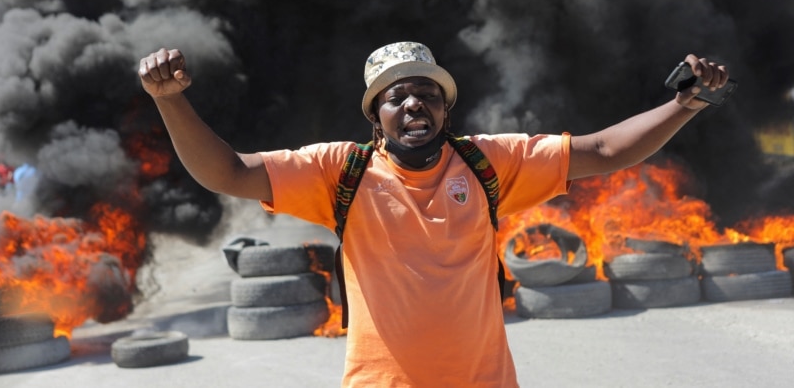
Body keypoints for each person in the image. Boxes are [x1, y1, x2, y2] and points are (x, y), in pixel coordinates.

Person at [138, 41, 730, 387]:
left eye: (427, 92)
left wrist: (687, 104)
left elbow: (603, 150)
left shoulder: (489, 163)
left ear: (446, 108)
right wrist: (171, 101)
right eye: (396, 96)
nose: (413, 102)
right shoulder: (337, 172)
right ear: (377, 117)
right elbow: (229, 173)